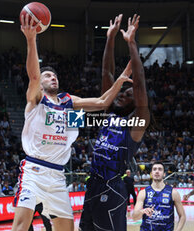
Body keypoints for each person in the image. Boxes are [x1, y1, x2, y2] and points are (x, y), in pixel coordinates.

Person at [12, 14, 133, 231]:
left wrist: (121, 78)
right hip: (34, 171)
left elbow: (103, 101)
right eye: (47, 76)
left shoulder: (69, 101)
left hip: (57, 175)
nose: (52, 78)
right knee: (21, 227)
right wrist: (31, 39)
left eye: (54, 76)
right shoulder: (36, 99)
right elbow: (33, 76)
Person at [79, 14, 150, 231]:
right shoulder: (108, 113)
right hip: (93, 185)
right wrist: (109, 38)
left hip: (112, 189)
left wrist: (131, 43)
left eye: (127, 95)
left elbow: (139, 85)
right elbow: (106, 74)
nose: (122, 94)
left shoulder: (136, 122)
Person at [133, 162, 186, 231]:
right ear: (151, 174)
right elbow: (135, 217)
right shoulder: (143, 193)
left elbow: (182, 216)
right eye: (154, 169)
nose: (157, 171)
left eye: (160, 169)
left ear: (164, 174)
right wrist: (143, 211)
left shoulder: (173, 193)